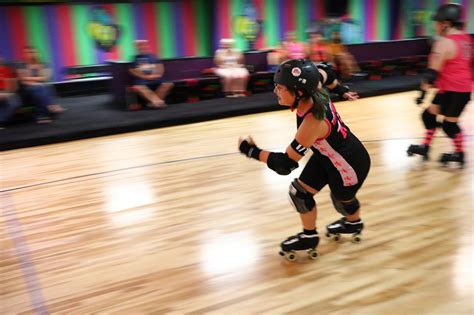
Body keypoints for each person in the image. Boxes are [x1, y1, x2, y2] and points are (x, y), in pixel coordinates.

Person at [237, 59, 370, 260]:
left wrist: (252, 151)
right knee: (299, 193)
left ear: (299, 92)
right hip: (328, 155)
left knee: (341, 199)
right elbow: (325, 71)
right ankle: (309, 237)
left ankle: (354, 222)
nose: (276, 91)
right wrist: (341, 90)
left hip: (348, 164)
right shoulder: (313, 87)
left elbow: (285, 164)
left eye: (280, 88)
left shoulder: (313, 121)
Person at [407, 3, 471, 167]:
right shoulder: (466, 39)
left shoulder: (444, 43)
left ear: (446, 23)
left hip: (455, 92)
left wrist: (421, 94)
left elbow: (431, 74)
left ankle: (460, 154)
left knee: (449, 126)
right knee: (428, 116)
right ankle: (425, 147)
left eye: (437, 22)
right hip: (452, 89)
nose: (434, 26)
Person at [17, 46, 64, 124]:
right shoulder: (21, 65)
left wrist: (29, 78)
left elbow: (45, 78)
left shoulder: (45, 64)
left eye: (33, 52)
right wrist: (37, 82)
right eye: (27, 52)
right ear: (24, 54)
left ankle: (42, 115)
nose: (31, 54)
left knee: (41, 89)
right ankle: (51, 106)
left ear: (37, 53)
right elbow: (22, 80)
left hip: (41, 88)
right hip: (26, 89)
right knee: (40, 88)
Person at [129, 40, 174, 108]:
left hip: (156, 78)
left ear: (147, 46)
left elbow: (160, 68)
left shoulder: (153, 57)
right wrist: (145, 77)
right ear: (137, 47)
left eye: (143, 45)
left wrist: (156, 75)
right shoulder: (135, 58)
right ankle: (158, 102)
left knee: (168, 84)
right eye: (139, 46)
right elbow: (132, 71)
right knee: (138, 87)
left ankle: (152, 103)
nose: (142, 47)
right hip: (142, 80)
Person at [0, 57, 21, 128]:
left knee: (15, 103)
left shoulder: (8, 69)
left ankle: (1, 120)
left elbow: (14, 85)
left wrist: (8, 93)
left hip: (8, 92)